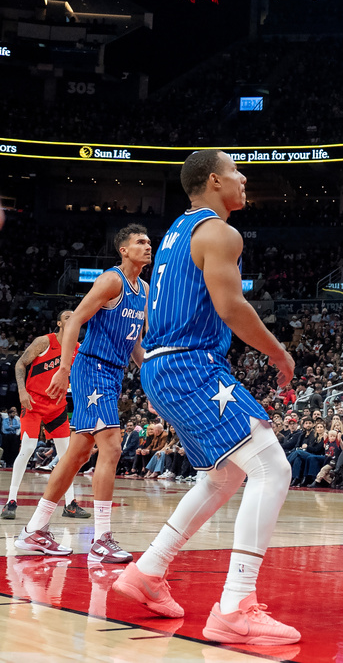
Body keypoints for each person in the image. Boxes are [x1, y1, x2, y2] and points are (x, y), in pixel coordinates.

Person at [111, 150, 299, 645]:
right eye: (237, 171)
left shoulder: (176, 231)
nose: (244, 179)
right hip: (190, 364)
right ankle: (237, 604)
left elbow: (160, 312)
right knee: (272, 468)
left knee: (224, 474)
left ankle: (148, 570)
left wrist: (158, 377)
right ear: (214, 180)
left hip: (163, 363)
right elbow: (232, 307)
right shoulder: (220, 231)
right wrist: (280, 355)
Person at [16, 225, 151, 562]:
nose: (147, 246)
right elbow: (74, 320)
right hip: (92, 368)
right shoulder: (112, 280)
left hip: (112, 373)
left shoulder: (144, 290)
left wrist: (149, 375)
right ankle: (102, 537)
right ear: (123, 249)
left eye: (149, 242)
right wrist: (63, 368)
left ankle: (35, 530)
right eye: (140, 242)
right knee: (113, 447)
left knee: (76, 455)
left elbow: (134, 341)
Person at [2, 310, 90, 521]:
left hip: (57, 406)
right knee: (29, 448)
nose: (72, 319)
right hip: (33, 402)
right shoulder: (45, 342)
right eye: (67, 317)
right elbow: (20, 363)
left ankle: (70, 504)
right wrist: (22, 391)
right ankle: (11, 501)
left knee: (68, 456)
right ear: (59, 323)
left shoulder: (78, 349)